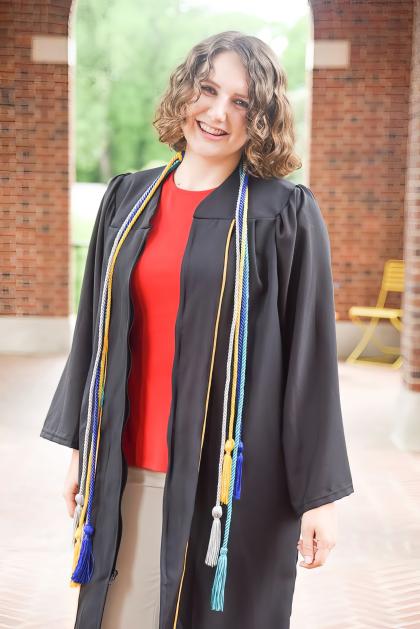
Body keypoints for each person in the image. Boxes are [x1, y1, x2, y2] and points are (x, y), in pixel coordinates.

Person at [40, 30, 354, 629]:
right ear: (185, 93)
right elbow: (95, 334)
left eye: (240, 101)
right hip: (127, 470)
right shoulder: (128, 200)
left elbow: (309, 361)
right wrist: (82, 446)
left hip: (230, 489)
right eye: (207, 91)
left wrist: (320, 497)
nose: (217, 113)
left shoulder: (281, 213)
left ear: (260, 118)